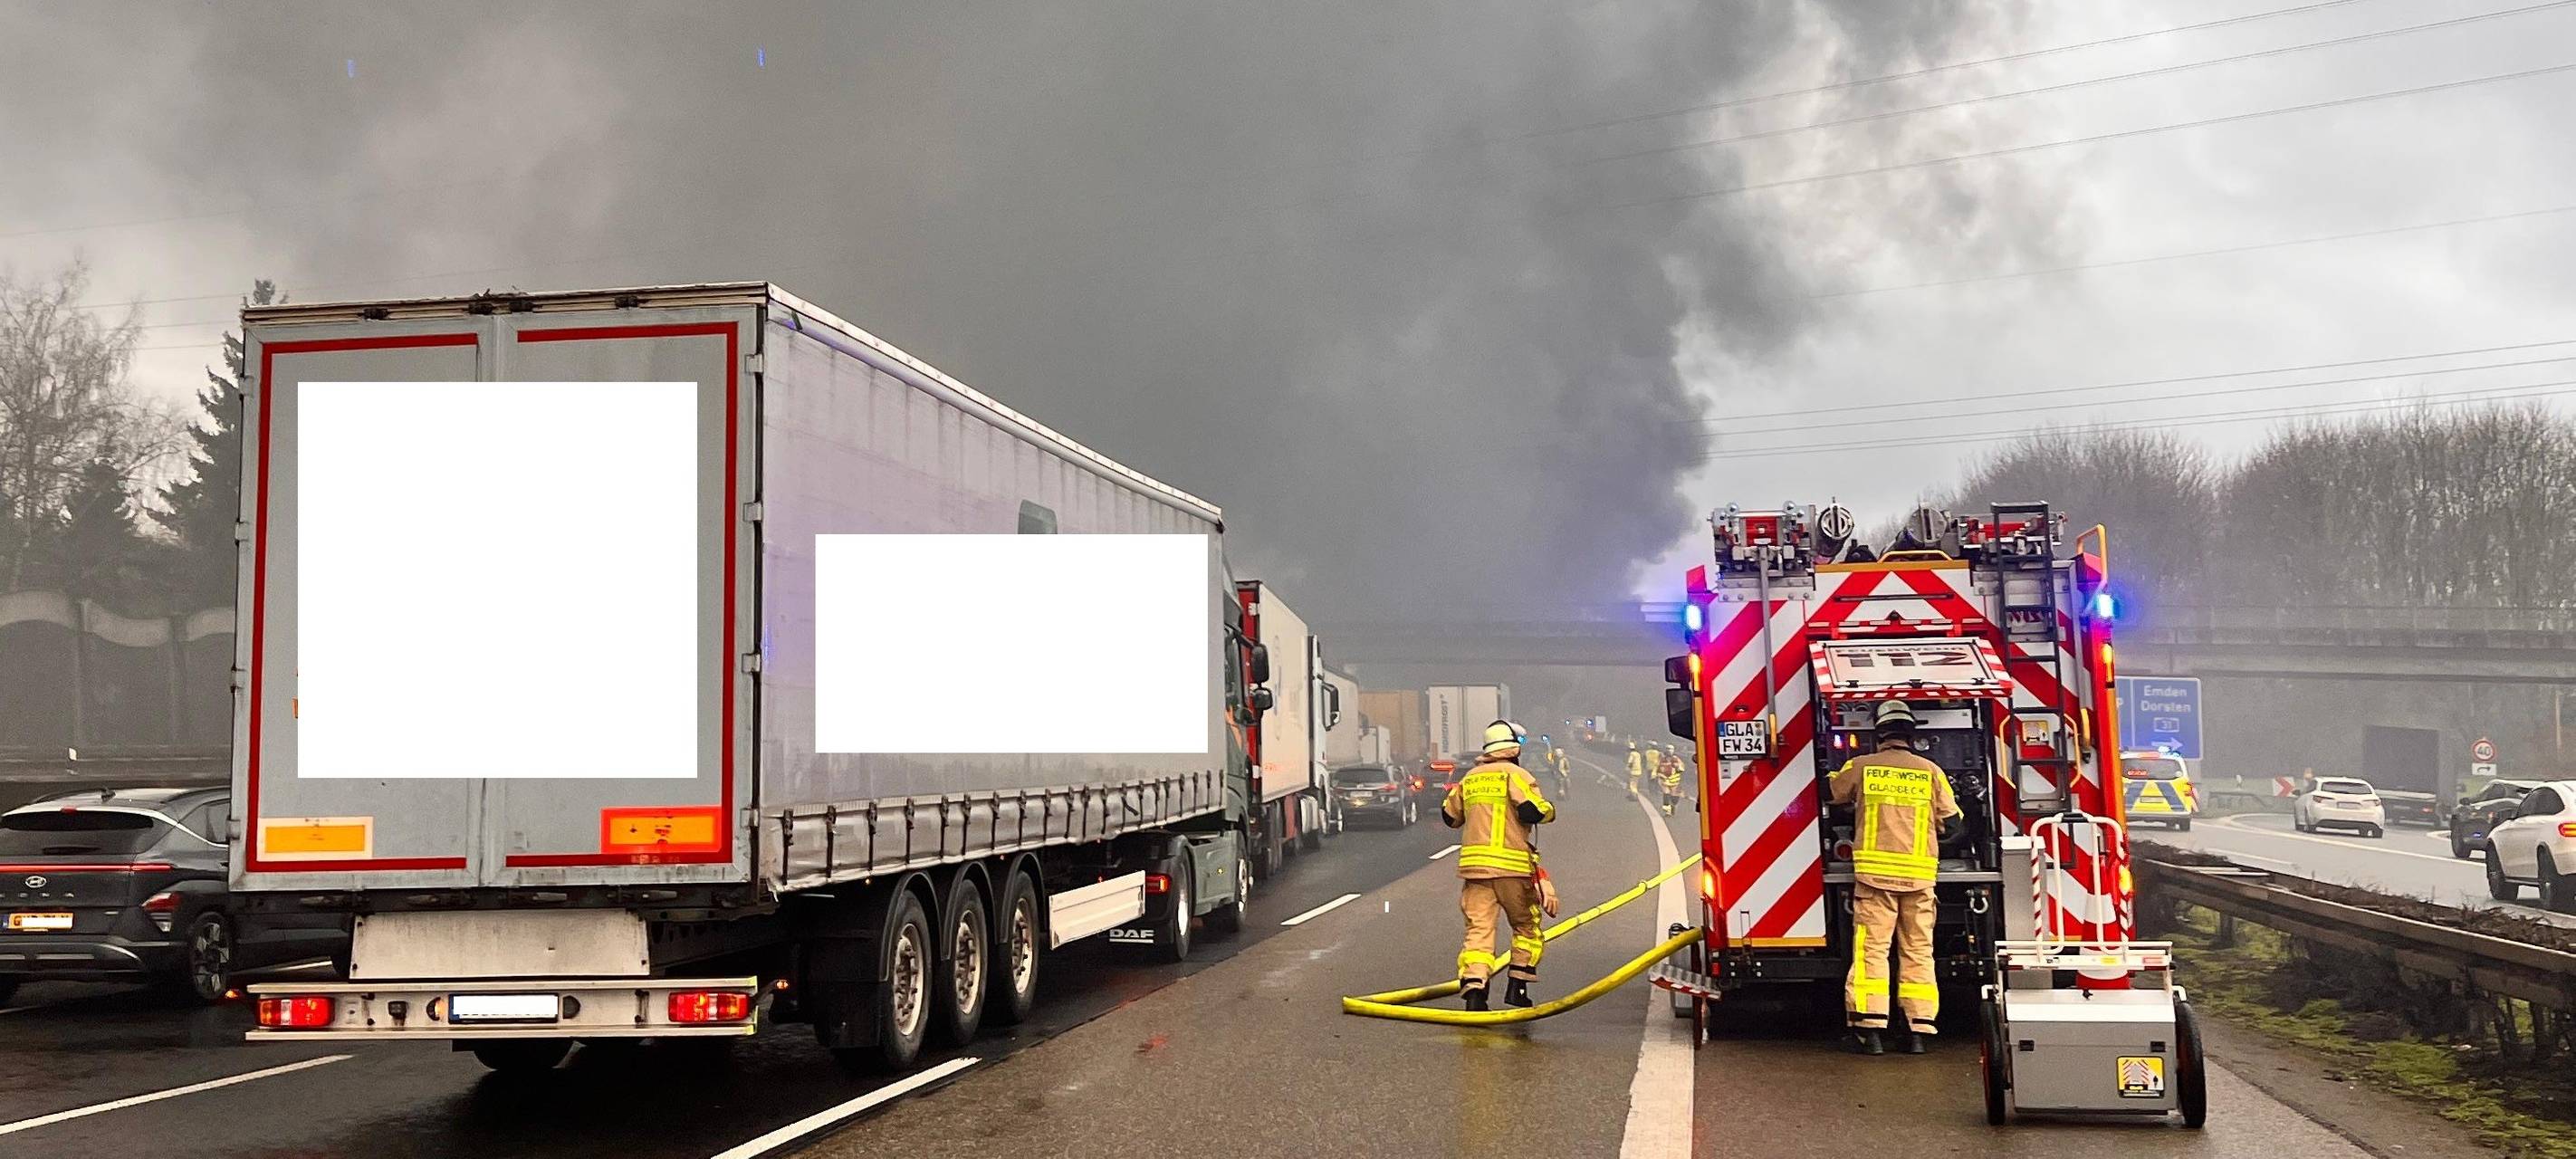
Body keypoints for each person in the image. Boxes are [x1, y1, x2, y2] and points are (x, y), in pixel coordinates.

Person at [1827, 700, 1960, 1056]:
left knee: (1872, 950)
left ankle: (1869, 1031)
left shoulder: (1862, 766)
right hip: (1919, 879)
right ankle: (1917, 1030)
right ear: (1911, 734)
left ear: (1879, 733)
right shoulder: (1930, 771)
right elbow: (1954, 823)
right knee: (1918, 950)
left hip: (1875, 879)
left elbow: (1833, 792)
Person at [1443, 720, 1557, 1011]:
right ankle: (1517, 987)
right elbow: (1534, 811)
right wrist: (1547, 810)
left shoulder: (1470, 779)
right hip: (1512, 869)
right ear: (1513, 748)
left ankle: (1475, 991)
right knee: (1527, 926)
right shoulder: (1516, 775)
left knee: (1478, 931)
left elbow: (1450, 817)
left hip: (1475, 871)